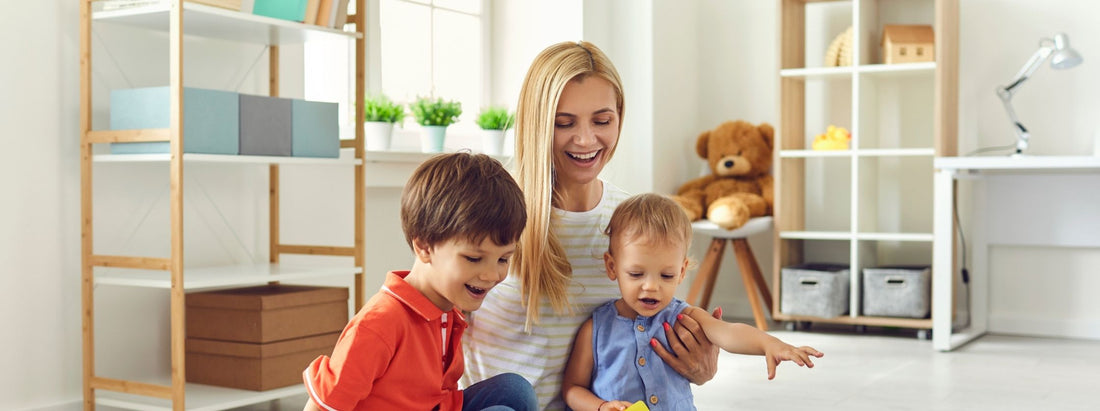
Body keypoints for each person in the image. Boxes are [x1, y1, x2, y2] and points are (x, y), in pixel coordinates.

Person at [461, 41, 721, 410]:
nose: (585, 140)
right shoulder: (492, 209)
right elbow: (427, 314)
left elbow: (655, 329)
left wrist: (699, 364)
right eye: (563, 123)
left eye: (602, 121)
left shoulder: (630, 225)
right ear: (537, 124)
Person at [302, 152, 537, 411]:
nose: (492, 275)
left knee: (515, 390)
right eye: (473, 258)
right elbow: (324, 403)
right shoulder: (380, 324)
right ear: (424, 246)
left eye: (503, 260)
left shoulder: (447, 308)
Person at [562, 193, 825, 411]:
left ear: (682, 271)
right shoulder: (595, 330)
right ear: (612, 267)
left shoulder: (684, 317)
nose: (651, 286)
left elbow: (730, 333)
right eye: (636, 274)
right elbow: (573, 389)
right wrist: (600, 406)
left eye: (666, 275)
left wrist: (770, 343)